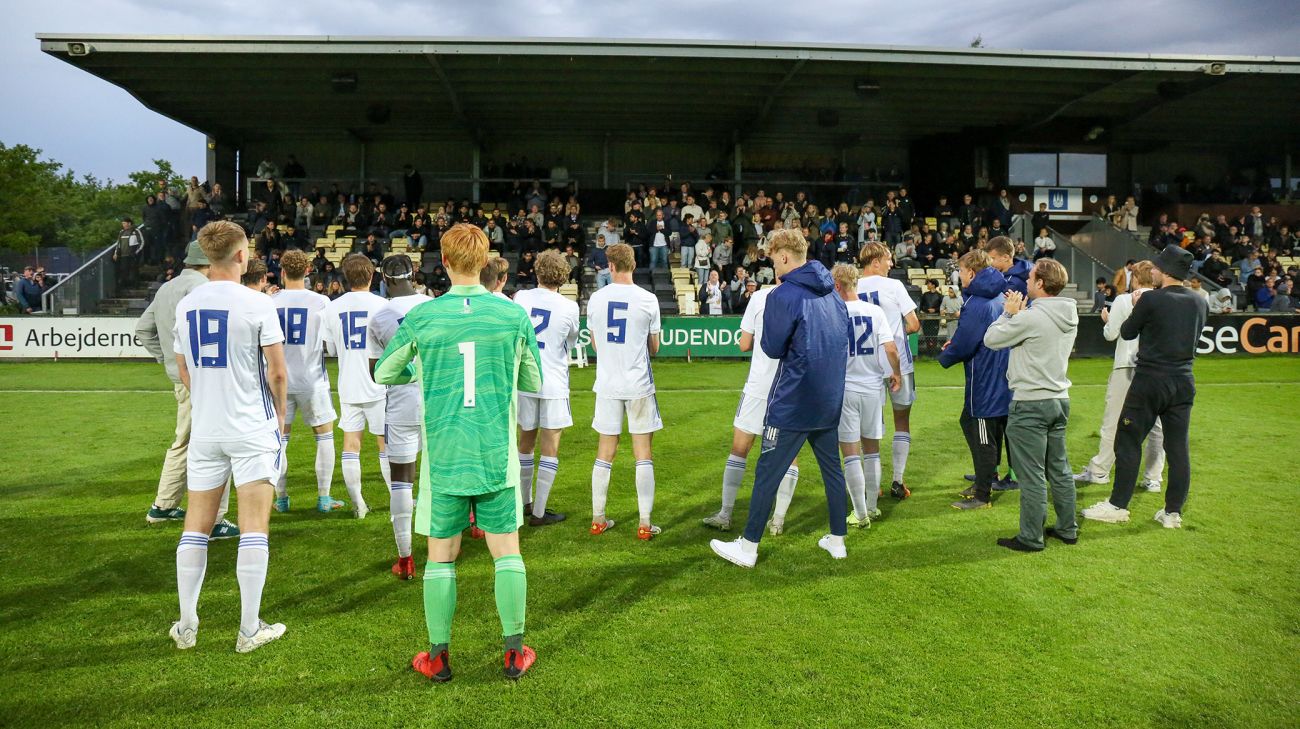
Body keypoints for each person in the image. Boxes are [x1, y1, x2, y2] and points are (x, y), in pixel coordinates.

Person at [373, 223, 542, 682]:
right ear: (485, 261)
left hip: (445, 453)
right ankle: (513, 652)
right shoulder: (512, 315)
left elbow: (386, 371)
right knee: (507, 553)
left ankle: (438, 656)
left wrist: (422, 367)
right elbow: (534, 382)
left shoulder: (425, 317)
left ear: (443, 263)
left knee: (441, 556)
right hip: (494, 452)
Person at [168, 220, 288, 654]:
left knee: (196, 525)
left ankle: (186, 625)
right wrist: (276, 417)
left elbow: (184, 369)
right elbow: (276, 371)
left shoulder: (187, 304)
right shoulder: (257, 304)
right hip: (251, 426)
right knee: (254, 526)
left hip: (207, 429)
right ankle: (249, 628)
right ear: (241, 256)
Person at [710, 228, 851, 568]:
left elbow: (771, 347)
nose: (772, 264)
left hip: (792, 399)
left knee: (768, 469)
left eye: (773, 257)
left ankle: (748, 546)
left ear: (785, 256)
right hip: (829, 396)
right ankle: (837, 539)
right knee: (832, 469)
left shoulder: (782, 295)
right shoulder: (832, 292)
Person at [1083, 246, 1208, 529]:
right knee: (1177, 448)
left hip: (1150, 380)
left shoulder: (1151, 300)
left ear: (1163, 270)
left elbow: (1127, 332)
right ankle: (1172, 512)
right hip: (1184, 381)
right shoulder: (1200, 301)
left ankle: (1117, 506)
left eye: (1155, 267)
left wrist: (1139, 305)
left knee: (1127, 440)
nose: (1151, 271)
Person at [136, 241, 238, 538]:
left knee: (185, 440)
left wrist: (167, 359)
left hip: (181, 379)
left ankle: (164, 505)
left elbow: (143, 329)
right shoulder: (203, 289)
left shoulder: (167, 287)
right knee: (217, 444)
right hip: (204, 378)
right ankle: (214, 519)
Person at [982, 259, 1079, 551]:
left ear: (1040, 283)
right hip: (1059, 399)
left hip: (1030, 402)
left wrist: (1008, 315)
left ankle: (1031, 537)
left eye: (1030, 277)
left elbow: (991, 339)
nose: (1025, 281)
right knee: (1059, 469)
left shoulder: (1031, 317)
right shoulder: (1068, 313)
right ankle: (1067, 528)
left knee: (1032, 475)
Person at [701, 278, 802, 534]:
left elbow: (744, 344)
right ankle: (777, 521)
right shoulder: (806, 299)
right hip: (789, 389)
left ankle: (725, 514)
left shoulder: (759, 298)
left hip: (758, 386)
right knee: (789, 456)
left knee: (739, 449)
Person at [585, 243, 664, 540]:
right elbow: (654, 348)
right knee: (642, 452)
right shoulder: (648, 299)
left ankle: (598, 519)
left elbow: (594, 344)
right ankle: (644, 524)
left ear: (611, 265)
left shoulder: (596, 299)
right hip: (638, 384)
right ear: (633, 264)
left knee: (605, 451)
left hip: (607, 384)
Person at [364, 254, 433, 580]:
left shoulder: (380, 317)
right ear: (414, 274)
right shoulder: (436, 306)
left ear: (386, 280)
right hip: (439, 400)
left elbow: (376, 371)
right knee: (444, 473)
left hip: (403, 403)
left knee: (403, 480)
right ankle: (452, 541)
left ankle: (406, 558)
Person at [1075, 261, 1165, 493]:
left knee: (1113, 421)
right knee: (1156, 425)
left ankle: (1100, 471)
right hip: (1155, 368)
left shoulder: (1125, 300)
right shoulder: (1163, 299)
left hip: (1126, 366)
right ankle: (1153, 478)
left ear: (1135, 278)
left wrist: (1107, 320)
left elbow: (1111, 334)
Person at [271, 250, 345, 515]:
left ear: (281, 271)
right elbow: (331, 343)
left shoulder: (271, 301)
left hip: (279, 381)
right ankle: (324, 498)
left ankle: (280, 498)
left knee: (279, 441)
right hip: (313, 379)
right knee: (324, 437)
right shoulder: (321, 301)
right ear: (307, 271)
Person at [939, 249, 1012, 511]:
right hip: (1003, 374)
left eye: (960, 270)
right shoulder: (999, 296)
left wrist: (946, 355)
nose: (959, 275)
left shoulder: (976, 303)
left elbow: (965, 343)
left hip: (985, 380)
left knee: (982, 430)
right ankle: (987, 479)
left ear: (971, 272)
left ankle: (983, 494)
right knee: (976, 424)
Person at [513, 250, 581, 527]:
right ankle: (539, 512)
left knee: (525, 441)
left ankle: (523, 503)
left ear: (537, 271)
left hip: (524, 379)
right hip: (552, 380)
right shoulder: (569, 307)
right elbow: (572, 342)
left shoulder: (521, 298)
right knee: (550, 445)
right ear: (563, 276)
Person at [321, 254, 391, 518]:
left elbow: (330, 348)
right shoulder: (383, 305)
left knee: (351, 445)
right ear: (372, 275)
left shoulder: (332, 307)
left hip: (348, 383)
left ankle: (358, 505)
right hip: (378, 383)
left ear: (345, 277)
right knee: (385, 444)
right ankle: (398, 499)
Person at [833, 263, 902, 529]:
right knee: (871, 450)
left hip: (845, 387)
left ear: (837, 285)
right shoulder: (875, 311)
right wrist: (896, 373)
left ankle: (860, 514)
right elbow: (891, 348)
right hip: (873, 387)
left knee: (850, 452)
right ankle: (872, 508)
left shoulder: (834, 312)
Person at [856, 243, 921, 499]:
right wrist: (894, 335)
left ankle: (872, 486)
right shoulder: (894, 286)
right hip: (898, 363)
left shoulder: (853, 287)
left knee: (869, 428)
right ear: (875, 262)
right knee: (902, 421)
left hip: (865, 365)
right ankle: (897, 480)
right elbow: (914, 324)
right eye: (888, 260)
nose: (890, 264)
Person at [114, 217, 145, 288]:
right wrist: (116, 253)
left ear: (129, 223)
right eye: (122, 223)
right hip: (123, 255)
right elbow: (118, 243)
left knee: (134, 270)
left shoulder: (136, 231)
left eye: (124, 223)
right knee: (124, 270)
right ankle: (125, 285)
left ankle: (136, 285)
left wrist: (136, 252)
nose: (123, 225)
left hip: (132, 255)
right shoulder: (121, 232)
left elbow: (142, 242)